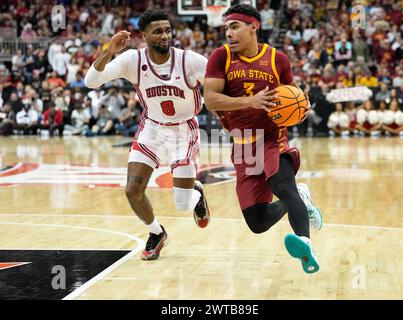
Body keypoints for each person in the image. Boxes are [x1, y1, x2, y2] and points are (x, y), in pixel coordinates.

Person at [204, 4, 322, 274]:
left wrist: (300, 108)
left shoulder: (277, 59)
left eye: (234, 27)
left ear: (252, 27)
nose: (229, 34)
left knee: (283, 185)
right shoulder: (220, 57)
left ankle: (305, 244)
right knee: (257, 223)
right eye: (226, 29)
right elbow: (210, 100)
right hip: (244, 145)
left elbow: (293, 93)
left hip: (272, 138)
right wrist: (252, 101)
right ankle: (302, 198)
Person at [85, 9, 210, 261]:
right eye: (158, 31)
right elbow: (91, 81)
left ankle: (196, 193)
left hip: (184, 130)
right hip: (151, 127)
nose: (165, 35)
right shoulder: (132, 59)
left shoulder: (190, 60)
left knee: (182, 204)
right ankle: (156, 233)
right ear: (144, 35)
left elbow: (222, 82)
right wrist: (109, 51)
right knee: (132, 189)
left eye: (167, 30)